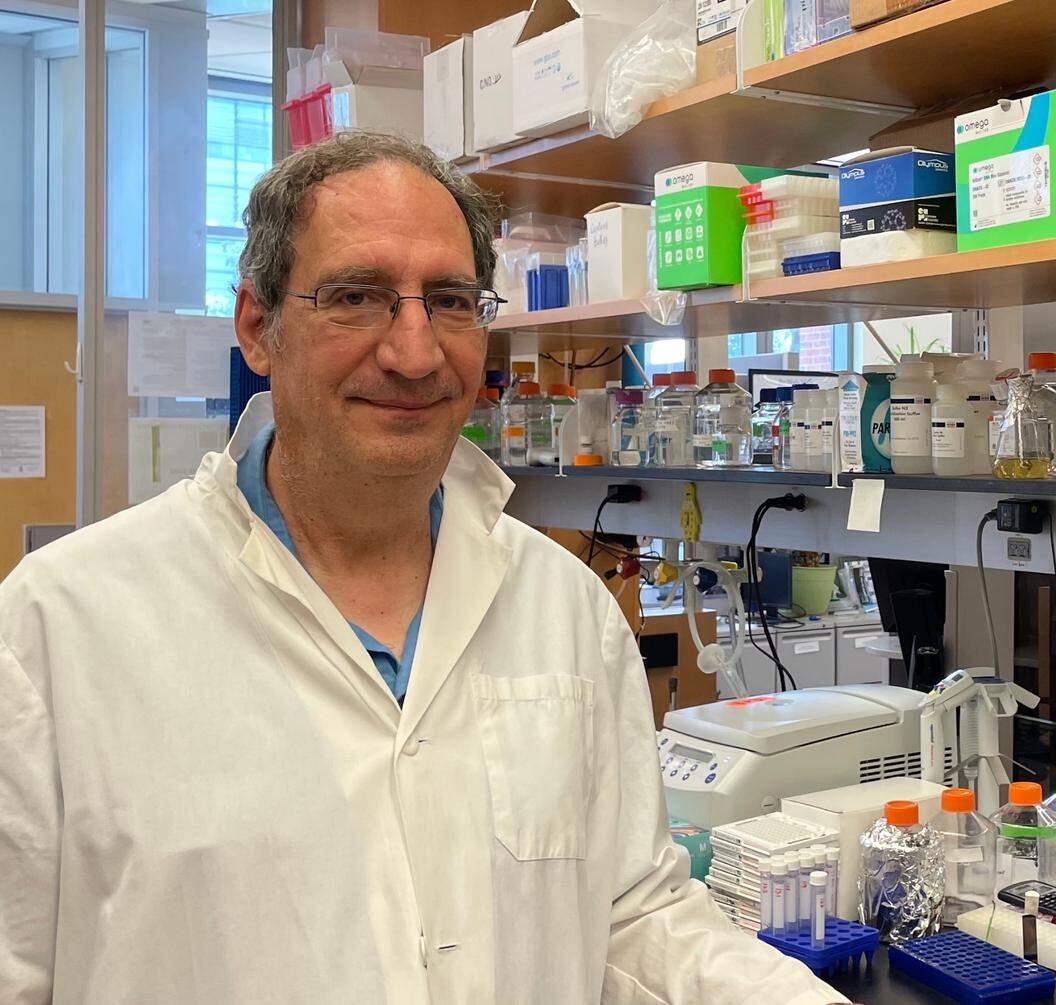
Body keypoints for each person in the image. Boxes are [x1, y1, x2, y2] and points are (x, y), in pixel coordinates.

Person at [0, 133, 845, 1004]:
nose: (413, 353)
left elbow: (630, 916)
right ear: (258, 325)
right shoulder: (58, 628)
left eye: (448, 300)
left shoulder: (562, 606)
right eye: (357, 297)